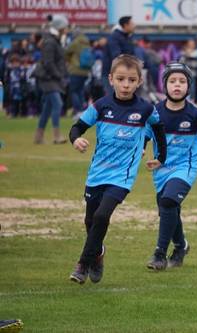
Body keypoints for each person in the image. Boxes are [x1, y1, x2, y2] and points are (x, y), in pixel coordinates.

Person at [68, 55, 167, 284]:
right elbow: (77, 128)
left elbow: (159, 130)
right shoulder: (101, 106)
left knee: (103, 215)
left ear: (139, 82)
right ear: (111, 79)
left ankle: (82, 264)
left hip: (122, 176)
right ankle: (98, 254)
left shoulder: (145, 109)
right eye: (121, 79)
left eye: (131, 80)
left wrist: (161, 157)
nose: (126, 84)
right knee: (91, 222)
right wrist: (76, 140)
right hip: (97, 173)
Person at [145, 62, 197, 270]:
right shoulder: (154, 113)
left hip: (185, 168)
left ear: (189, 86)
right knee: (168, 208)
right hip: (160, 170)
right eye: (172, 81)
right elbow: (143, 134)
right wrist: (142, 148)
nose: (177, 85)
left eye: (182, 81)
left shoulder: (196, 114)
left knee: (169, 202)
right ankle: (181, 246)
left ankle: (159, 254)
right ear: (165, 85)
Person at [33, 14, 69, 144]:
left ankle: (38, 137)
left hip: (52, 77)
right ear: (59, 27)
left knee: (47, 108)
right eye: (65, 27)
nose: (67, 29)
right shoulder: (50, 42)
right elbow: (48, 63)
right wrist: (59, 76)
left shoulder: (56, 40)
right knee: (57, 104)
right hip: (48, 77)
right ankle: (56, 136)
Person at [102, 16, 135, 95]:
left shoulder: (127, 37)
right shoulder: (115, 37)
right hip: (112, 73)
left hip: (123, 73)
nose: (134, 25)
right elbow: (116, 56)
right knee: (113, 97)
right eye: (132, 24)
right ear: (125, 25)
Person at [65, 28, 92, 119]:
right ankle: (83, 111)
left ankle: (78, 111)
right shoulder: (87, 42)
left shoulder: (75, 43)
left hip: (75, 70)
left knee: (73, 91)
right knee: (80, 91)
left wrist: (69, 60)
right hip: (85, 71)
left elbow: (66, 52)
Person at [179, 39, 197, 104]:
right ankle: (185, 102)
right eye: (190, 44)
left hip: (194, 74)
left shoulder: (196, 53)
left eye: (193, 44)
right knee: (187, 88)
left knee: (194, 89)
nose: (191, 45)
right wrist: (186, 54)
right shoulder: (184, 53)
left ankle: (192, 102)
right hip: (186, 74)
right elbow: (181, 62)